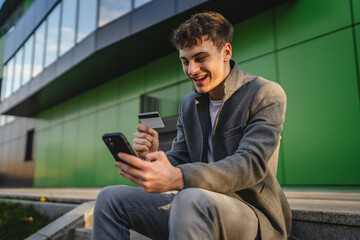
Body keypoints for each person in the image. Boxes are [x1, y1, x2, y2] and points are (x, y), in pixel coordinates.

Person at [92, 11, 292, 240]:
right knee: (109, 197)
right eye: (185, 61)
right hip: (191, 207)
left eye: (200, 58)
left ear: (226, 52)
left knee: (189, 199)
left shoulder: (265, 93)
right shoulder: (188, 104)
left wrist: (178, 177)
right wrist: (154, 155)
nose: (192, 70)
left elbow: (251, 165)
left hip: (251, 215)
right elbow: (179, 160)